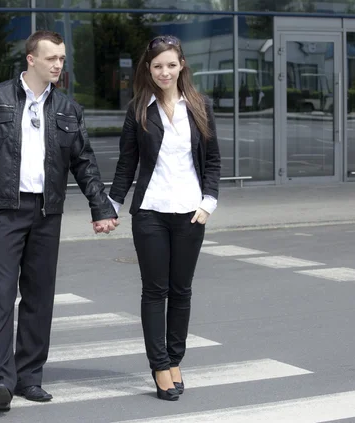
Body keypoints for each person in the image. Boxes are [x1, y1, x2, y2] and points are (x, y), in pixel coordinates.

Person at [0, 29, 118, 411]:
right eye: (52, 59)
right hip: (4, 210)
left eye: (62, 59)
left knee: (39, 297)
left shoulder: (67, 108)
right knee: (1, 295)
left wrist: (102, 208)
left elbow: (85, 163)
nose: (59, 65)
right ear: (31, 59)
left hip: (48, 212)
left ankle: (29, 377)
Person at [108, 35, 221, 401]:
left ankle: (175, 359)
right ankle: (159, 365)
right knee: (155, 291)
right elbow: (127, 163)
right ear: (149, 69)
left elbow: (213, 159)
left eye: (171, 64)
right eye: (157, 66)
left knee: (181, 290)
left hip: (191, 213)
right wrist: (111, 205)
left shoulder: (200, 106)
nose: (164, 71)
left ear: (181, 65)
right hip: (151, 211)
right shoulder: (139, 108)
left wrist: (208, 202)